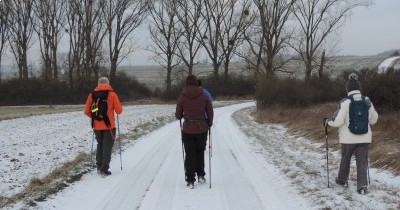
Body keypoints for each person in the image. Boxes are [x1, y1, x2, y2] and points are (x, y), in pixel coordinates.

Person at [324, 73, 378, 194]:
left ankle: (342, 180)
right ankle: (362, 185)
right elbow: (374, 120)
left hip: (347, 139)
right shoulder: (367, 101)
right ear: (359, 88)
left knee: (345, 159)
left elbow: (337, 121)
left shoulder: (345, 102)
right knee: (362, 161)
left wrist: (328, 122)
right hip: (364, 138)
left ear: (348, 89)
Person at [176, 75, 214, 188]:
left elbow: (178, 115)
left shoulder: (182, 96)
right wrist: (209, 123)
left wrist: (183, 115)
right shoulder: (204, 95)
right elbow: (210, 111)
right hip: (202, 128)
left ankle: (190, 180)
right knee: (200, 152)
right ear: (197, 83)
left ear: (187, 83)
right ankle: (201, 175)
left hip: (187, 129)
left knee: (189, 154)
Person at [84, 77, 123, 176]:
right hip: (109, 126)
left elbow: (86, 112)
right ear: (108, 83)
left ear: (98, 84)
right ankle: (104, 169)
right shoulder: (112, 94)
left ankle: (99, 166)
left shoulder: (92, 95)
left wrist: (96, 118)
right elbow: (119, 111)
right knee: (107, 147)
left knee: (100, 145)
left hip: (97, 127)